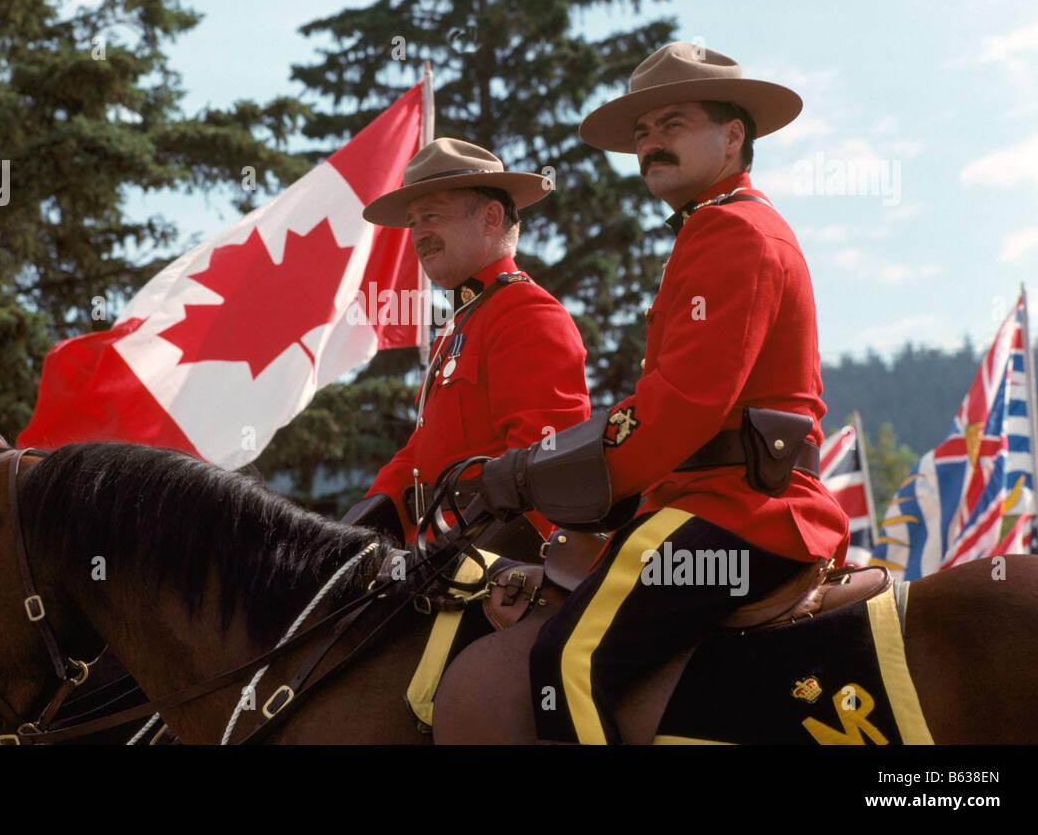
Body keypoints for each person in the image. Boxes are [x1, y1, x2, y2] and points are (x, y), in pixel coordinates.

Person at [476, 42, 849, 743]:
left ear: (733, 136)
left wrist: (540, 472)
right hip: (724, 504)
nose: (650, 145)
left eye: (671, 125)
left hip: (740, 511)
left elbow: (682, 404)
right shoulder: (715, 227)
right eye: (642, 135)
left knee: (568, 661)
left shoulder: (731, 229)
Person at [342, 137, 590, 546]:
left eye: (432, 216)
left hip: (494, 564)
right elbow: (415, 461)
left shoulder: (526, 314)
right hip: (436, 550)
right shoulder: (461, 324)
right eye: (414, 222)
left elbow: (544, 462)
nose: (419, 234)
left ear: (491, 217)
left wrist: (465, 559)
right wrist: (355, 537)